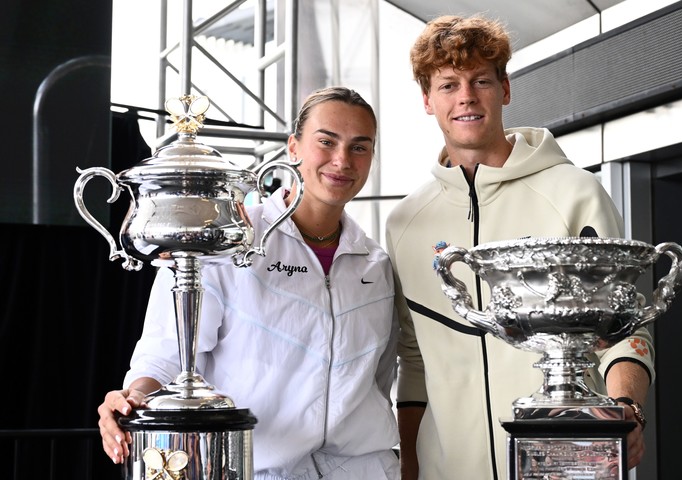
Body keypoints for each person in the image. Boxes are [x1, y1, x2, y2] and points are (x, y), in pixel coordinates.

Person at [384, 14, 654, 480]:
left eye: (481, 80)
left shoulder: (575, 192)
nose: (466, 96)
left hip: (567, 461)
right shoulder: (405, 222)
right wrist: (411, 464)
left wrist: (626, 405)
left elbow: (627, 328)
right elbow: (413, 359)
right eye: (448, 85)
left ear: (505, 90)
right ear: (427, 100)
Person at [98, 86, 401, 480]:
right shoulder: (227, 239)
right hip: (256, 468)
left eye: (360, 147)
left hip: (365, 471)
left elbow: (379, 381)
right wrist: (135, 396)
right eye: (326, 142)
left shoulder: (376, 264)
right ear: (294, 148)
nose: (342, 160)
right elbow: (167, 350)